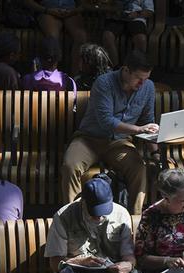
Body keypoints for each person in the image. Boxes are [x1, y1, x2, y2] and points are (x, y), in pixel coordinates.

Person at [60, 50, 158, 212]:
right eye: (138, 78)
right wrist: (139, 129)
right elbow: (106, 121)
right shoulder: (104, 83)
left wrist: (155, 153)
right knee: (70, 166)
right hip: (88, 139)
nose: (142, 83)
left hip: (119, 142)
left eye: (145, 79)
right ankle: (73, 217)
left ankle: (136, 218)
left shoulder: (148, 87)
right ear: (126, 70)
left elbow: (148, 120)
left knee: (139, 169)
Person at [23, 0, 87, 75]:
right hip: (47, 11)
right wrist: (46, 10)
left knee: (81, 36)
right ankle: (51, 76)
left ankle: (76, 77)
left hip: (71, 12)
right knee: (52, 38)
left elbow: (85, 4)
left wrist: (75, 10)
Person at [102, 0, 153, 67]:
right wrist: (112, 10)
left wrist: (136, 14)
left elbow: (149, 11)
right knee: (107, 36)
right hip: (116, 19)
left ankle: (137, 68)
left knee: (141, 39)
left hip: (136, 19)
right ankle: (115, 69)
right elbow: (104, 5)